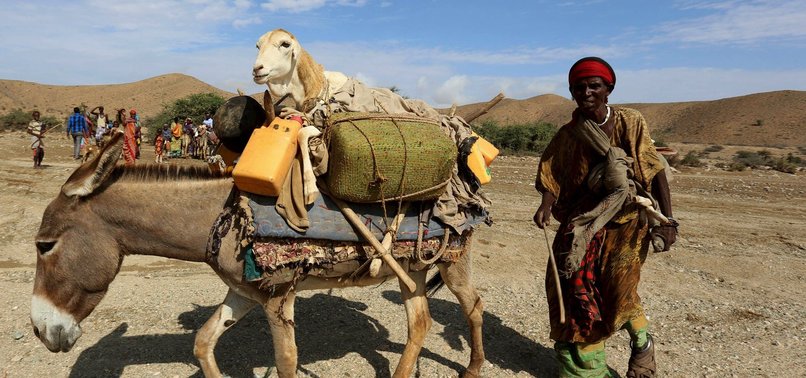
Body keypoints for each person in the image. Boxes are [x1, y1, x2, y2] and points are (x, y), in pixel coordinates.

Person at [533, 57, 676, 378]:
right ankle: (587, 369)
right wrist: (545, 204)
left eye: (594, 86)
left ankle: (642, 344)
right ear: (571, 92)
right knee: (571, 288)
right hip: (582, 223)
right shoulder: (569, 135)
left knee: (618, 291)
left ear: (608, 89)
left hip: (626, 224)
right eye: (579, 87)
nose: (586, 92)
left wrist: (667, 220)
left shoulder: (630, 122)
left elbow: (654, 172)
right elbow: (551, 174)